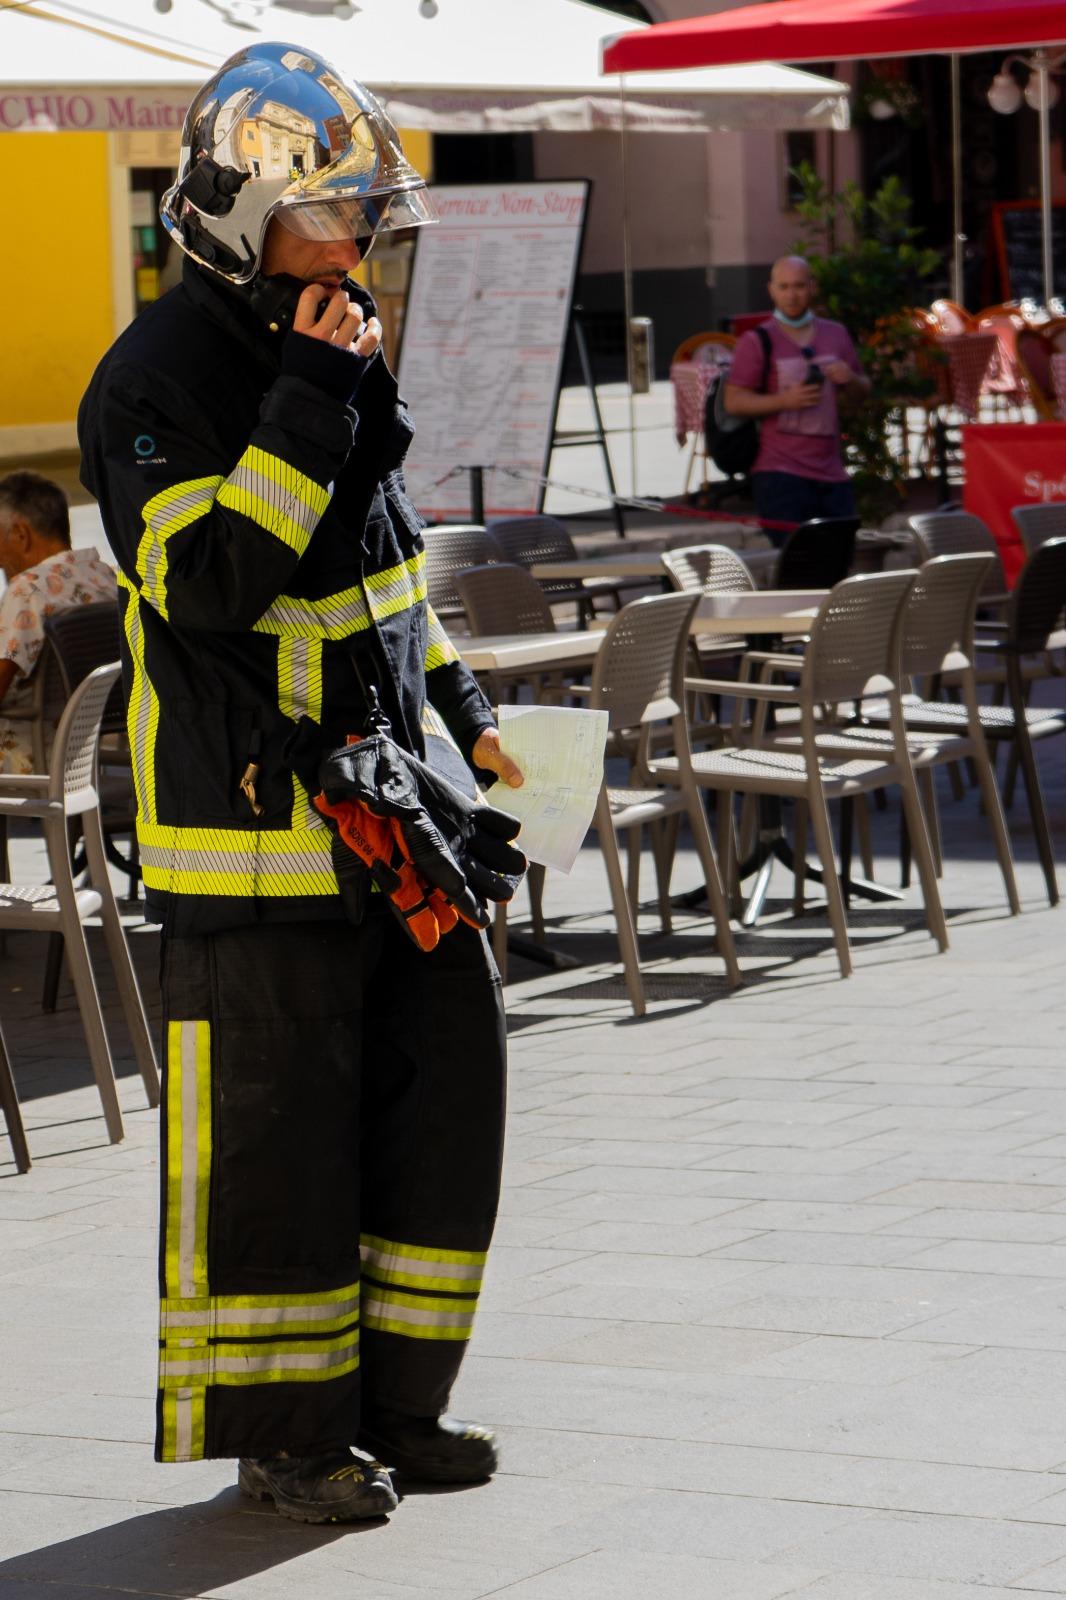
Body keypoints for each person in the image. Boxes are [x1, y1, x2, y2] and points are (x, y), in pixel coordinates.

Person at [78, 42, 525, 1525]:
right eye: (328, 216)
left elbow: (383, 565)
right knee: (276, 1148)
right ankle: (289, 1438)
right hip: (250, 843)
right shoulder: (152, 381)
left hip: (389, 813)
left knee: (438, 1098)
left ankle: (400, 1402)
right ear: (235, 216)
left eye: (363, 218)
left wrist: (465, 708)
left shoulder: (327, 349)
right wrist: (314, 394)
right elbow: (212, 584)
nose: (358, 247)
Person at [724, 254, 871, 537]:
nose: (792, 295)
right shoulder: (756, 341)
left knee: (837, 563)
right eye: (784, 287)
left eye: (799, 286)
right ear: (771, 290)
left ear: (812, 287)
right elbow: (734, 401)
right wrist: (784, 401)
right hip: (780, 474)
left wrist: (850, 379)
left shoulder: (835, 334)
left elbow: (862, 391)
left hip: (832, 474)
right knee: (797, 568)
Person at [0, 471, 116, 773]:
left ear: (20, 533)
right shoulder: (103, 577)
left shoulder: (28, 589)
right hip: (93, 750)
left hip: (34, 752)